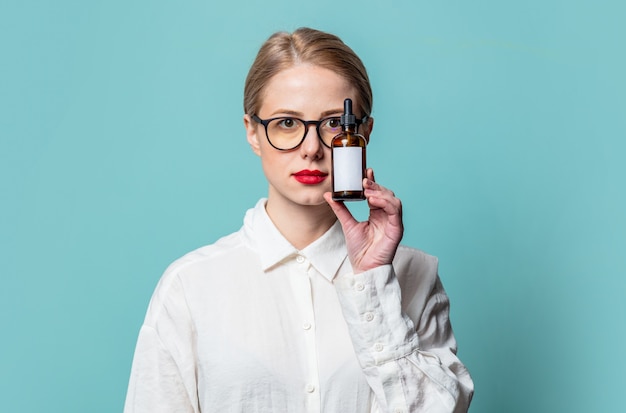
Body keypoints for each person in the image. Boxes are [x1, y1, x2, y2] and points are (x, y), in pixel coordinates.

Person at [124, 27, 474, 413]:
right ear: (253, 133)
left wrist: (373, 282)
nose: (311, 149)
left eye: (333, 124)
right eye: (287, 123)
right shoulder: (189, 287)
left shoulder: (414, 274)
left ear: (363, 133)